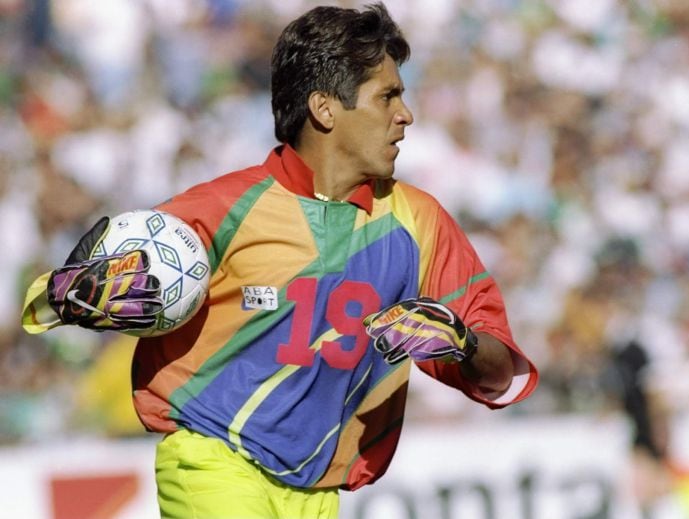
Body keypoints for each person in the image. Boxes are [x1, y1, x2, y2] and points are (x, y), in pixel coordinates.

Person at [22, 3, 538, 518]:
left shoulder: (422, 224)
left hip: (317, 494)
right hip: (214, 460)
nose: (406, 114)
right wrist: (70, 296)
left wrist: (464, 344)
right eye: (388, 96)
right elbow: (65, 290)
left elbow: (499, 374)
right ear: (325, 108)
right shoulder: (224, 208)